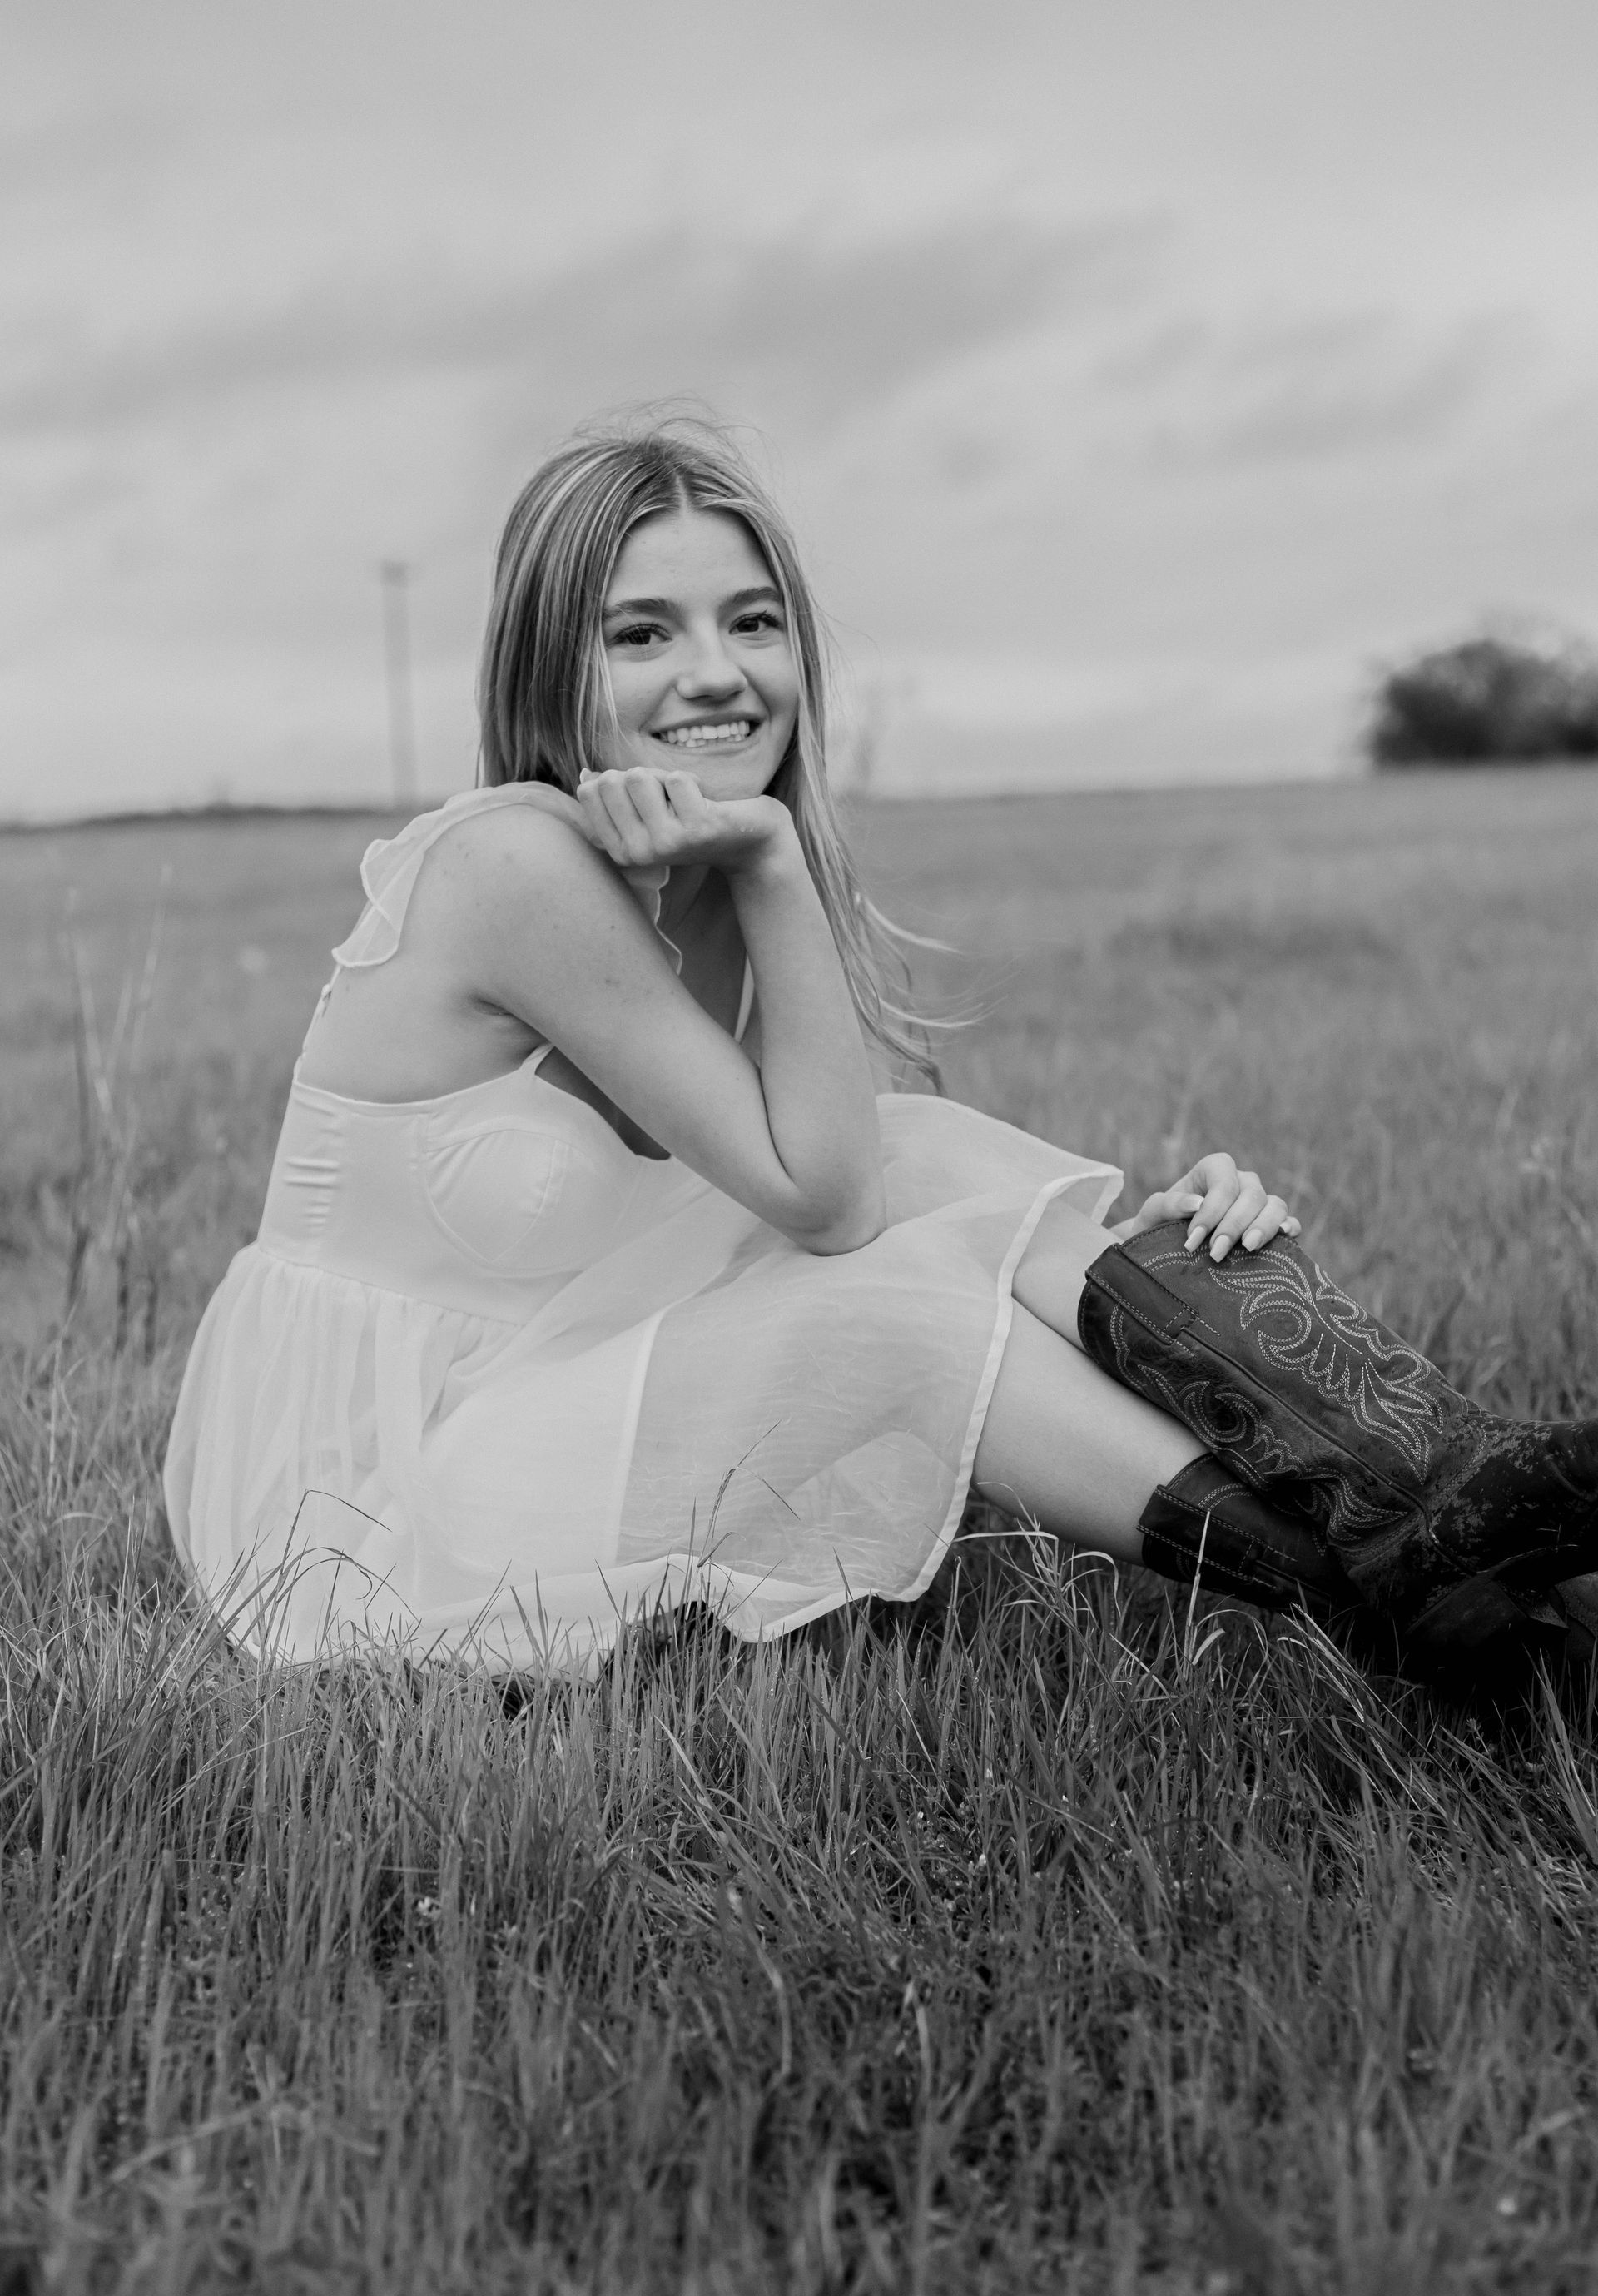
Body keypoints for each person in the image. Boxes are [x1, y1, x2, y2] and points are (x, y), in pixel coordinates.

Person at [163, 417, 1598, 1676]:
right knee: (892, 1307)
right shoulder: (515, 866)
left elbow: (872, 1168)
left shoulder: (705, 876)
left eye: (754, 622)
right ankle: (1398, 1579)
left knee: (925, 1146)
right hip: (371, 1489)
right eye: (641, 631)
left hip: (551, 1370)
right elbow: (831, 1210)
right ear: (550, 676)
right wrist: (780, 862)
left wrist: (1154, 1242)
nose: (715, 676)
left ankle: (1430, 1493)